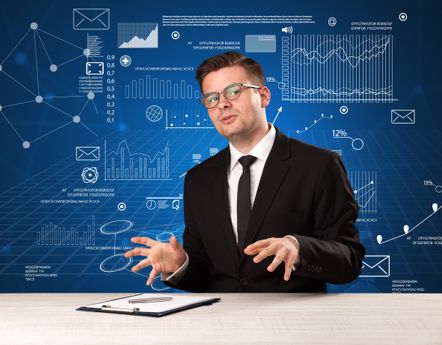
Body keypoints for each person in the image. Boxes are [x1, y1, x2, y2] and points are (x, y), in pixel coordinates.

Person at [124, 51, 365, 292]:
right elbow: (205, 273)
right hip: (220, 322)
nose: (223, 104)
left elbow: (349, 260)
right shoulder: (198, 180)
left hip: (292, 322)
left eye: (233, 91)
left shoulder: (319, 165)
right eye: (212, 98)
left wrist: (298, 247)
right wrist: (181, 264)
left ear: (263, 95)